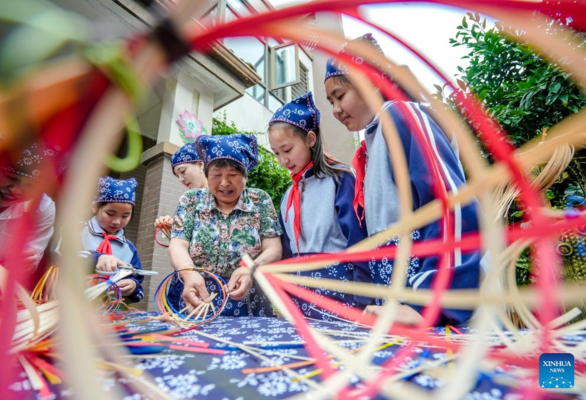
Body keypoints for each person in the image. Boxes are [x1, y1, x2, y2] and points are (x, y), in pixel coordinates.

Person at [324, 33, 481, 326]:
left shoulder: (403, 117)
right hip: (403, 314)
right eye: (330, 100)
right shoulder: (373, 144)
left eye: (340, 96)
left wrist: (431, 303)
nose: (335, 109)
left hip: (438, 316)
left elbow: (451, 205)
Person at [268, 92, 371, 320]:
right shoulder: (288, 194)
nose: (283, 160)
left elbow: (358, 239)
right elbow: (286, 250)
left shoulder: (340, 179)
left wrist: (365, 297)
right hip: (299, 295)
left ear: (310, 139)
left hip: (339, 291)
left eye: (287, 150)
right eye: (276, 153)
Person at [168, 134, 282, 317]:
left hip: (246, 296)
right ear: (206, 173)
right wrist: (189, 274)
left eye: (233, 175)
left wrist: (250, 268)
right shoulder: (191, 200)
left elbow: (274, 248)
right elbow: (178, 244)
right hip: (197, 294)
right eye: (216, 175)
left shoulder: (260, 200)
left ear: (245, 175)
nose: (224, 183)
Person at [0, 121, 56, 272]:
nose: (16, 190)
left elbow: (30, 260)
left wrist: (27, 261)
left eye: (31, 185)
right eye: (11, 178)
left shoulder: (42, 209)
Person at [80, 177, 144, 303]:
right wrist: (96, 258)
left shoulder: (129, 249)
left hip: (108, 311)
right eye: (110, 214)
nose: (116, 221)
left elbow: (139, 288)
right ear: (95, 207)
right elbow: (59, 257)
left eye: (125, 216)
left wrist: (133, 286)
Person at [155, 142, 208, 228]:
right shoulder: (188, 199)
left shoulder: (225, 194)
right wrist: (173, 224)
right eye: (177, 176)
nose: (181, 179)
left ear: (200, 164)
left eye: (183, 171)